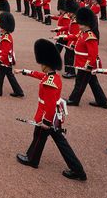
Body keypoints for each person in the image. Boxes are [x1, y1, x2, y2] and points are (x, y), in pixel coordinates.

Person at [16, 39, 87, 181]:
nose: (41, 66)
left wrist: (46, 122)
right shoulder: (53, 76)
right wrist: (24, 71)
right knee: (47, 138)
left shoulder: (50, 82)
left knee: (43, 137)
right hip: (52, 116)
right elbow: (40, 75)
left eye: (42, 64)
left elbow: (49, 105)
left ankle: (33, 160)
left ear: (46, 64)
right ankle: (33, 158)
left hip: (48, 116)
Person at [66, 7, 107, 108]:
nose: (79, 25)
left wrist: (89, 65)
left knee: (80, 82)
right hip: (82, 62)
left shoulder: (90, 36)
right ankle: (102, 101)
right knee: (93, 82)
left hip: (86, 64)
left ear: (87, 24)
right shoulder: (83, 33)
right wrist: (63, 37)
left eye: (81, 24)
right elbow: (75, 37)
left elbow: (93, 53)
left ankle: (74, 100)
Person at [0, 12, 24, 97]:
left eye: (1, 27)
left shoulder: (6, 38)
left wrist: (0, 60)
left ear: (5, 28)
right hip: (5, 61)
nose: (0, 28)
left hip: (4, 61)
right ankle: (18, 91)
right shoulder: (4, 36)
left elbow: (5, 51)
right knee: (10, 76)